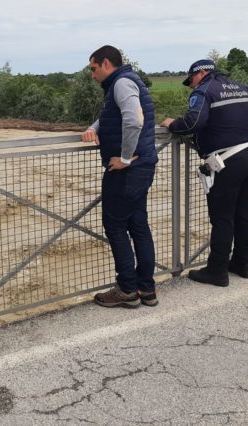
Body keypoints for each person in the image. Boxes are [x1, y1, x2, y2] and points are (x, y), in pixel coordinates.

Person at [161, 59, 248, 287]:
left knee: (222, 217)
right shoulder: (241, 87)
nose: (191, 85)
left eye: (191, 80)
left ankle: (217, 271)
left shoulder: (204, 90)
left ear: (201, 73)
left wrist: (172, 123)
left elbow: (192, 123)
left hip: (228, 160)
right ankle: (243, 264)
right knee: (245, 213)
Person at [81, 45, 159, 307]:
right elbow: (114, 115)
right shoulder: (125, 81)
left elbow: (134, 120)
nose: (92, 75)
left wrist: (125, 158)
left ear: (106, 63)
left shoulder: (122, 83)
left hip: (127, 170)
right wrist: (94, 128)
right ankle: (146, 289)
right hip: (142, 166)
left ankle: (127, 289)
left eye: (93, 69)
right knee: (138, 226)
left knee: (115, 226)